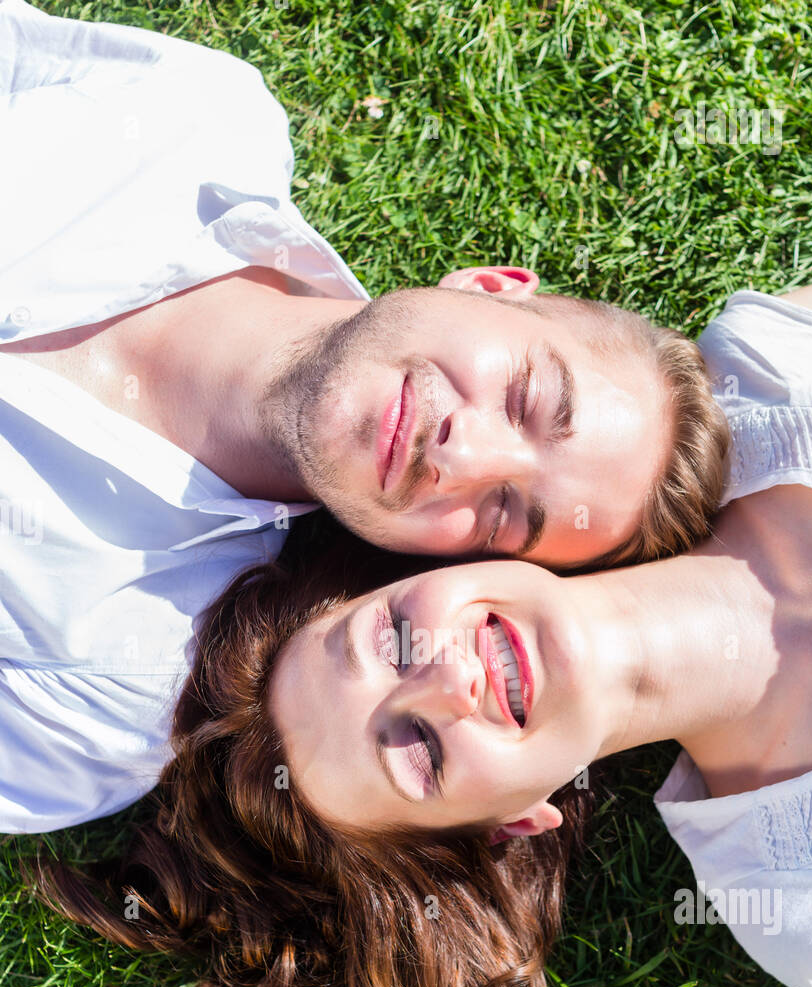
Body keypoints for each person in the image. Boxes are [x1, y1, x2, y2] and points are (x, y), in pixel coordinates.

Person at [29, 281, 812, 987]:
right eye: (420, 750)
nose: (447, 681)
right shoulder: (803, 892)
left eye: (393, 637)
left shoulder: (779, 376)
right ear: (515, 820)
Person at [0, 0, 729, 830]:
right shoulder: (197, 122)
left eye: (500, 512)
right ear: (490, 287)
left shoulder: (113, 686)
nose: (467, 453)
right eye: (526, 398)